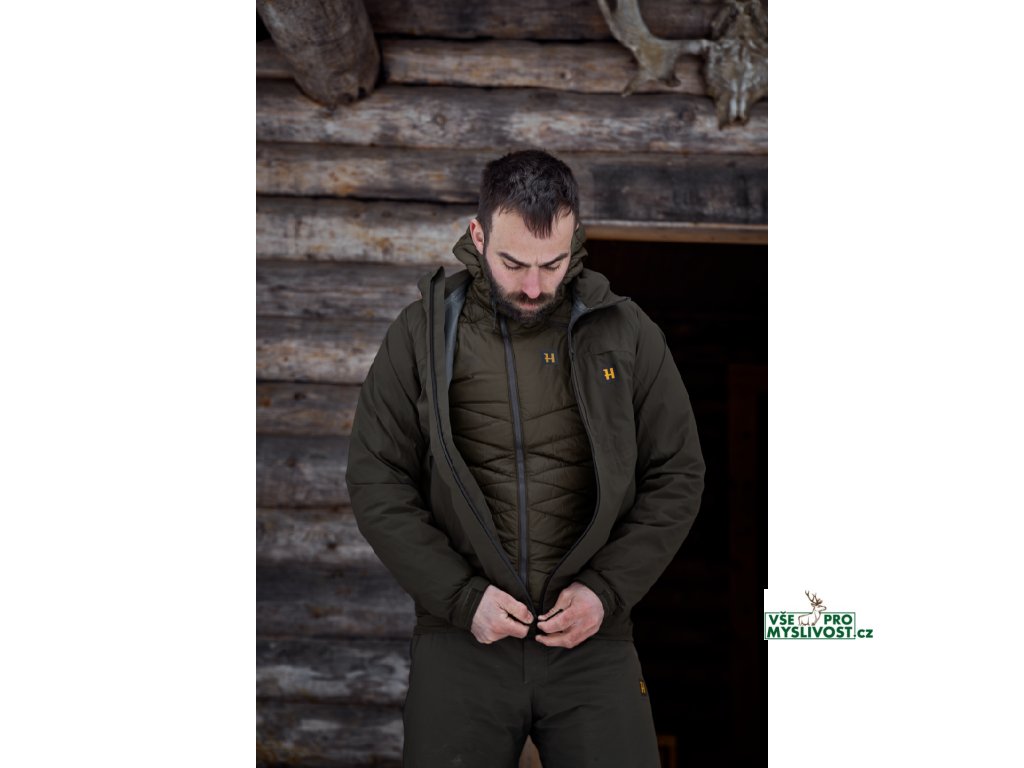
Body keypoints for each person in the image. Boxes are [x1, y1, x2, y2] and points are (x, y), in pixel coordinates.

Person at [346, 149, 705, 767]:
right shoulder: (421, 333)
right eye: (514, 264)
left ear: (575, 239)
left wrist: (606, 591)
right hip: (462, 641)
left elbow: (677, 473)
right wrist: (461, 599)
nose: (535, 286)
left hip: (593, 642)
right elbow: (377, 477)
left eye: (553, 263)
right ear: (478, 234)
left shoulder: (627, 332)